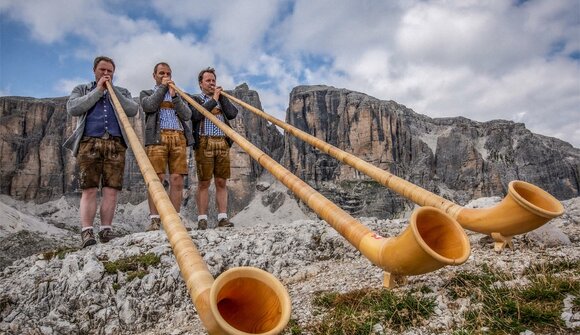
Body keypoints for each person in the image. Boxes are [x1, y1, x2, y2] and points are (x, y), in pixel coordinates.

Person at [64, 56, 138, 248]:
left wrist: (113, 91)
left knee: (111, 190)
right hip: (89, 143)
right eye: (102, 70)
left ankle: (106, 230)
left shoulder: (122, 91)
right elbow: (73, 108)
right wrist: (99, 90)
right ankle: (87, 232)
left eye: (109, 71)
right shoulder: (81, 89)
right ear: (94, 71)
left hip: (115, 144)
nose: (106, 74)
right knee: (89, 189)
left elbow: (132, 109)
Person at [140, 62, 193, 231]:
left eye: (168, 73)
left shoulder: (177, 94)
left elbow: (187, 115)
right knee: (157, 179)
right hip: (157, 137)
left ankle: (175, 219)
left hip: (178, 137)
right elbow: (149, 106)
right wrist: (163, 89)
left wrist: (175, 96)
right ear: (154, 75)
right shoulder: (147, 93)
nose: (165, 76)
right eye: (161, 73)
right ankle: (155, 220)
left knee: (177, 180)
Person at [189, 67, 238, 229]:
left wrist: (221, 98)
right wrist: (214, 98)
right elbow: (196, 116)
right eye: (208, 81)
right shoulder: (195, 99)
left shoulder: (221, 99)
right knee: (204, 182)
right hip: (204, 142)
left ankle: (222, 217)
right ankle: (202, 219)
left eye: (213, 80)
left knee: (221, 181)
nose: (211, 83)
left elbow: (232, 114)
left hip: (222, 143)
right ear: (200, 84)